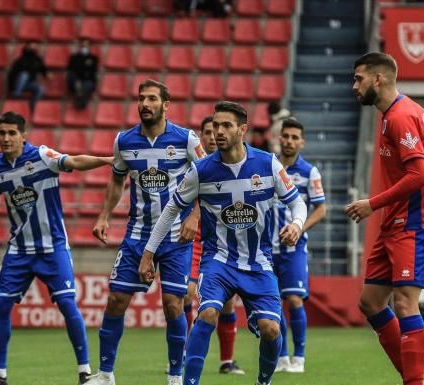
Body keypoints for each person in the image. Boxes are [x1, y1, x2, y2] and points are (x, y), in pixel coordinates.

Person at [140, 101, 307, 385]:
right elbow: (171, 210)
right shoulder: (201, 170)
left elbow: (297, 203)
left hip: (259, 262)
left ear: (243, 130)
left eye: (226, 125)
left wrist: (296, 224)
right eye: (216, 125)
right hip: (218, 260)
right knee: (206, 312)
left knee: (270, 329)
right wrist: (148, 254)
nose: (219, 131)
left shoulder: (267, 164)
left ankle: (263, 381)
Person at [0, 111, 113, 385]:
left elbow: (73, 160)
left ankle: (85, 372)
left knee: (66, 303)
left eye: (12, 133)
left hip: (53, 248)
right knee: (1, 305)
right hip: (19, 250)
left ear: (23, 136)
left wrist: (107, 160)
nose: (6, 138)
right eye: (1, 132)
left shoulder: (42, 156)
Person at [85, 80, 206, 385]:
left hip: (177, 236)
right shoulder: (124, 141)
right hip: (137, 234)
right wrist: (103, 216)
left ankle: (176, 376)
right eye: (141, 98)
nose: (145, 104)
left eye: (152, 99)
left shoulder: (186, 140)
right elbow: (116, 181)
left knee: (173, 305)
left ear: (166, 105)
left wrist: (195, 215)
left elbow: (211, 179)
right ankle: (106, 374)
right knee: (115, 300)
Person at [346, 52, 424, 385]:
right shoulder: (393, 114)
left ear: (378, 79)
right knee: (371, 302)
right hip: (396, 223)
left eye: (358, 79)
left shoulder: (401, 115)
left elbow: (419, 176)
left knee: (405, 303)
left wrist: (373, 203)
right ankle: (415, 379)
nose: (354, 86)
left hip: (414, 223)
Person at [183, 115, 245, 375]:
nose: (212, 135)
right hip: (191, 240)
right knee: (186, 294)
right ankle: (185, 353)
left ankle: (226, 361)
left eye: (216, 130)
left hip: (221, 242)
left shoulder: (234, 165)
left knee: (227, 303)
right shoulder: (194, 166)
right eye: (207, 132)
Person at [272, 118, 327, 373]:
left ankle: (300, 358)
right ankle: (282, 357)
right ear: (279, 138)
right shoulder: (267, 167)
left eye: (295, 137)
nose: (290, 141)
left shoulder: (309, 172)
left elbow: (321, 209)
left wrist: (298, 228)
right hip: (264, 249)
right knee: (273, 302)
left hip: (293, 249)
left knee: (294, 300)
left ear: (302, 142)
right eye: (286, 136)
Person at [7, 41, 50, 112]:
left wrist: (47, 74)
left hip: (29, 84)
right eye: (31, 47)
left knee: (40, 89)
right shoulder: (20, 59)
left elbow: (43, 69)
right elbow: (12, 74)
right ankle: (16, 96)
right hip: (17, 83)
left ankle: (32, 107)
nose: (34, 49)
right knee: (24, 75)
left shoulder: (38, 59)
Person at [67, 39, 99, 110]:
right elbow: (71, 69)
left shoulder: (93, 58)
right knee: (73, 79)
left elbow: (93, 72)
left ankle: (80, 96)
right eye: (83, 45)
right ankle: (80, 97)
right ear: (80, 46)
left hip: (86, 80)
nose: (84, 46)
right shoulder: (74, 57)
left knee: (88, 85)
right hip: (76, 79)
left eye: (86, 45)